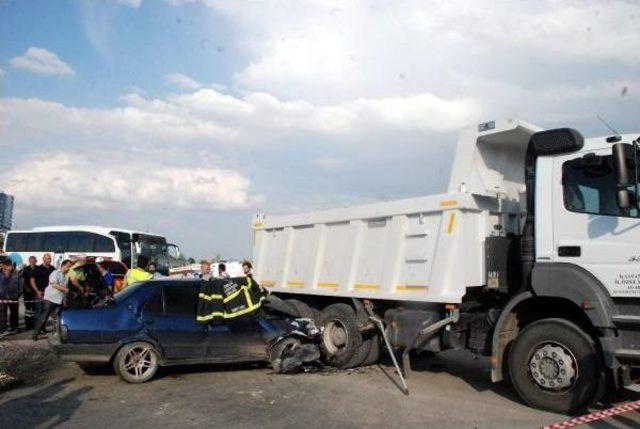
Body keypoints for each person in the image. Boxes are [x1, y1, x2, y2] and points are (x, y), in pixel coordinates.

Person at [33, 259, 73, 341]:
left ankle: (58, 335)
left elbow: (64, 291)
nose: (69, 268)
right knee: (44, 317)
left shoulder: (66, 276)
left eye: (70, 267)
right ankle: (35, 334)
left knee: (57, 318)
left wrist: (64, 300)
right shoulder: (55, 273)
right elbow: (54, 284)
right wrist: (65, 290)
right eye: (68, 266)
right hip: (50, 299)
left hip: (59, 300)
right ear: (63, 265)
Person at [30, 253, 55, 332]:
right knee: (39, 312)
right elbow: (32, 281)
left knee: (46, 312)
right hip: (40, 293)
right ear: (43, 259)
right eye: (47, 258)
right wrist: (37, 291)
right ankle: (37, 329)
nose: (49, 260)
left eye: (50, 258)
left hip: (49, 294)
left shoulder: (52, 268)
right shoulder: (38, 269)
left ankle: (42, 328)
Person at [0, 259, 21, 336]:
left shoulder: (16, 273)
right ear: (5, 266)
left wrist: (18, 294)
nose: (11, 267)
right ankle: (3, 329)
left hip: (14, 297)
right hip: (2, 298)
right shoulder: (1, 273)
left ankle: (14, 328)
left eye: (11, 265)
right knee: (2, 314)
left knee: (14, 313)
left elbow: (20, 285)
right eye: (9, 265)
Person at [23, 255, 39, 330]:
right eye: (31, 261)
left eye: (34, 261)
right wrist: (26, 289)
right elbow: (23, 281)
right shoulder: (25, 269)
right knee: (28, 310)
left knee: (35, 309)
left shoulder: (38, 269)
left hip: (36, 292)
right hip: (27, 293)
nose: (32, 262)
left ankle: (34, 324)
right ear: (29, 261)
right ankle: (28, 325)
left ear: (36, 261)